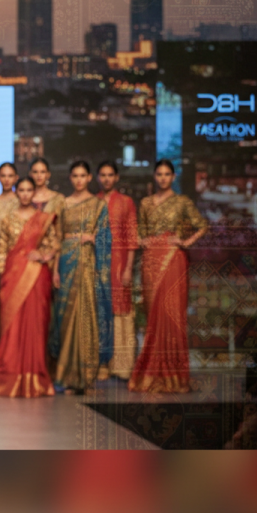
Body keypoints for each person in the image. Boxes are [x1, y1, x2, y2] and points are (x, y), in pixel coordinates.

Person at [129, 159, 207, 394]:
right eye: (159, 174)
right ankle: (152, 371)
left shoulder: (182, 202)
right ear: (154, 176)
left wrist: (184, 242)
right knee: (153, 316)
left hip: (173, 260)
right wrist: (143, 240)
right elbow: (140, 232)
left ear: (173, 177)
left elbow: (202, 226)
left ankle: (173, 375)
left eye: (167, 174)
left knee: (172, 316)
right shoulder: (144, 203)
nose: (163, 178)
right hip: (151, 261)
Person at [0, 176, 57, 398]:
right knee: (12, 325)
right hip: (12, 276)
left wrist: (44, 255)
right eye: (22, 190)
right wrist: (1, 276)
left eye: (29, 190)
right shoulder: (8, 220)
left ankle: (34, 375)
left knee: (34, 325)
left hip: (36, 276)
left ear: (33, 193)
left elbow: (54, 245)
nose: (26, 194)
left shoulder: (43, 219)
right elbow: (2, 250)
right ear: (17, 192)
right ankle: (10, 373)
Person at [49, 161, 112, 393]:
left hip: (87, 263)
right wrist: (55, 269)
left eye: (83, 175)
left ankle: (86, 376)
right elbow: (57, 238)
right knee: (65, 317)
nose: (78, 180)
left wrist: (93, 239)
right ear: (70, 178)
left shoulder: (98, 205)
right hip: (66, 261)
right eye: (75, 175)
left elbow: (106, 238)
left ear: (88, 178)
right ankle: (66, 376)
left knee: (86, 316)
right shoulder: (62, 204)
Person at [97, 161, 139, 380]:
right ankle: (100, 366)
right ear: (97, 177)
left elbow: (132, 237)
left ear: (117, 177)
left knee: (120, 310)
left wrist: (129, 268)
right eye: (102, 175)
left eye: (110, 175)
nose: (106, 179)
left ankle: (121, 366)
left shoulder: (126, 202)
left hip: (120, 262)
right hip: (97, 264)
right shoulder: (92, 202)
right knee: (100, 311)